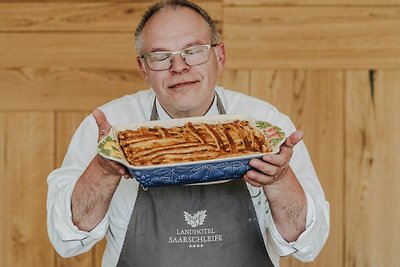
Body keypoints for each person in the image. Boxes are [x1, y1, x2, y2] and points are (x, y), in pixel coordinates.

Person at [47, 0, 329, 266]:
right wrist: (103, 169)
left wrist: (279, 179)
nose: (179, 66)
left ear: (219, 56)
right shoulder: (112, 129)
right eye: (161, 56)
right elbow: (66, 238)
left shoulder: (263, 126)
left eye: (193, 51)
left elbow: (308, 245)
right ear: (143, 68)